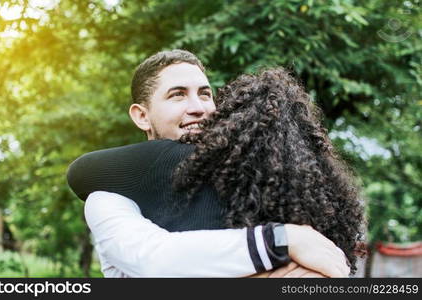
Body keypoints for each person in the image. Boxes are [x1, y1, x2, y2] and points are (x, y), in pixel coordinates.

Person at [67, 50, 359, 277]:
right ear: (142, 116)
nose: (198, 108)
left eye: (205, 94)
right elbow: (153, 261)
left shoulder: (248, 178)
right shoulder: (108, 196)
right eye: (177, 94)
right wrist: (283, 241)